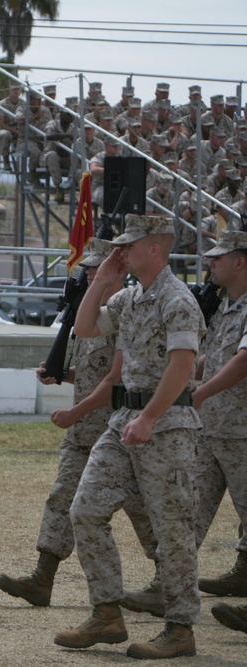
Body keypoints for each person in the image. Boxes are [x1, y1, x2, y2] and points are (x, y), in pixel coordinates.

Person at [55, 215, 204, 659]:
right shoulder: (132, 295)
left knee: (172, 529)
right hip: (125, 420)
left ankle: (180, 628)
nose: (121, 252)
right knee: (84, 510)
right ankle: (107, 613)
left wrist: (151, 417)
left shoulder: (177, 299)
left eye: (129, 246)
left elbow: (184, 365)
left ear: (154, 248)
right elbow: (84, 328)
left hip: (166, 425)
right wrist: (101, 280)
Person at [0, 239, 157, 608]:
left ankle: (168, 577)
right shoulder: (91, 314)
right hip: (84, 433)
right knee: (62, 498)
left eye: (95, 267)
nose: (87, 273)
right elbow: (90, 374)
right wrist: (60, 375)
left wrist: (75, 411)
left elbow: (114, 380)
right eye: (87, 268)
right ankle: (42, 577)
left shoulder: (125, 315)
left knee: (143, 510)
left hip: (116, 432)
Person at [188, 231, 247, 601]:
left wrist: (198, 394)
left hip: (242, 430)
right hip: (212, 428)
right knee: (189, 509)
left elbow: (243, 362)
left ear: (240, 261)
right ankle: (168, 583)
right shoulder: (225, 306)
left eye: (218, 258)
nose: (211, 263)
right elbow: (218, 357)